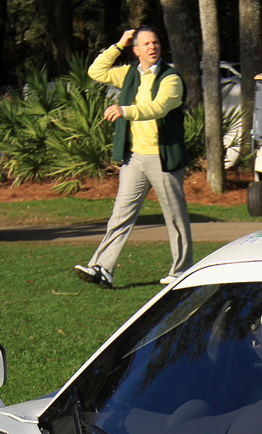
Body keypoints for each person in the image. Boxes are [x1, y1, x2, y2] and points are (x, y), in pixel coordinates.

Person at [74, 25, 193, 289]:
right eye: (146, 44)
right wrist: (119, 44)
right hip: (134, 158)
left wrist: (125, 110)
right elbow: (96, 71)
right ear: (136, 50)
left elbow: (159, 107)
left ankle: (182, 270)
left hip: (163, 157)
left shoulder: (170, 78)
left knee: (175, 216)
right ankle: (102, 268)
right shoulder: (129, 74)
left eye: (156, 43)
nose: (153, 47)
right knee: (120, 215)